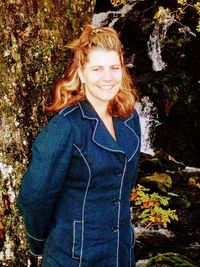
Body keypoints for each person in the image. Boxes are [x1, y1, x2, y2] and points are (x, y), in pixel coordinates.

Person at [17, 24, 141, 267]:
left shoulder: (129, 117)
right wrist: (39, 243)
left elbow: (125, 184)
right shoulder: (65, 127)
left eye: (114, 68)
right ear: (82, 74)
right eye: (97, 69)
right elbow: (34, 198)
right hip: (73, 256)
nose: (107, 77)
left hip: (120, 253)